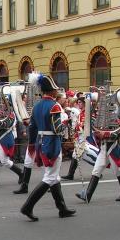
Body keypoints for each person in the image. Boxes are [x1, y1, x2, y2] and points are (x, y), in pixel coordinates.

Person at [20, 74, 76, 221]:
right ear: (51, 91)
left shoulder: (37, 106)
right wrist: (67, 123)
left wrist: (32, 145)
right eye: (55, 89)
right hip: (52, 143)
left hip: (40, 142)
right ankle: (27, 206)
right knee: (50, 177)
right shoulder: (55, 106)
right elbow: (58, 129)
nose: (57, 92)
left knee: (54, 177)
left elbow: (32, 128)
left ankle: (62, 208)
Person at [76, 87, 120, 204]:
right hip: (103, 148)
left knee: (118, 171)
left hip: (112, 147)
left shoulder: (115, 119)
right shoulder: (100, 119)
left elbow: (119, 134)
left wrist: (104, 134)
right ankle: (88, 195)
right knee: (96, 171)